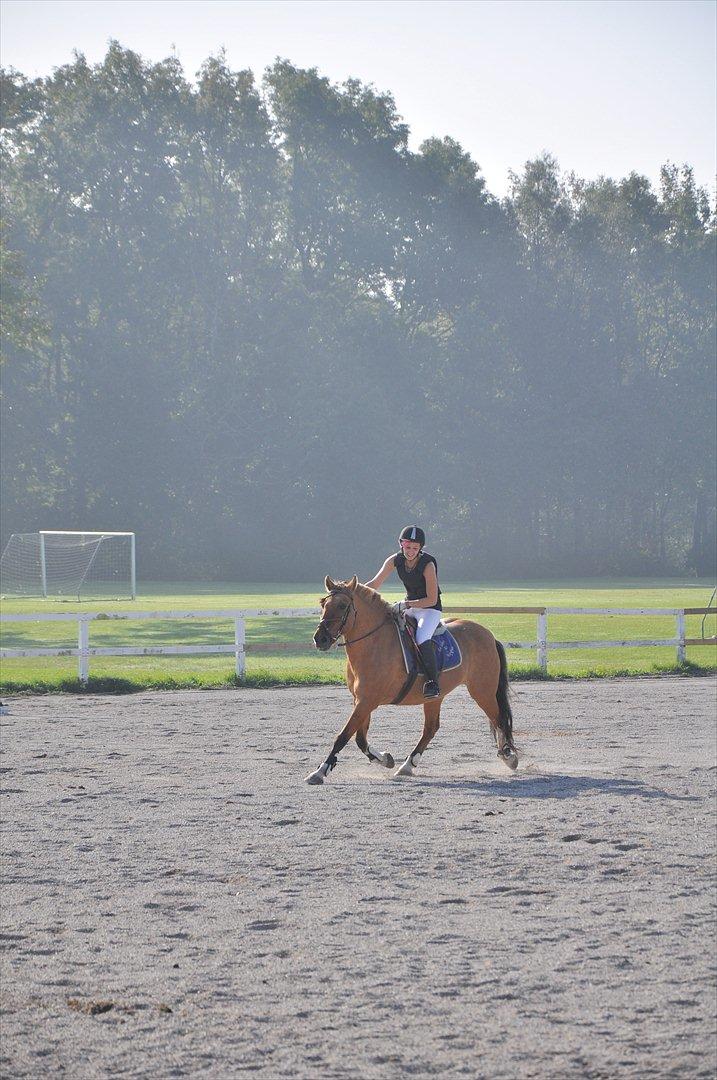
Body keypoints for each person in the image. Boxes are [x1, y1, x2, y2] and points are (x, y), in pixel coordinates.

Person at [363, 525, 442, 698]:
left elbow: (432, 599)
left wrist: (406, 604)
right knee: (389, 628)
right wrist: (353, 591)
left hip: (429, 610)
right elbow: (375, 584)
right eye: (407, 547)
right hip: (411, 607)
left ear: (421, 548)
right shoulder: (394, 560)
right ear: (401, 544)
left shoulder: (428, 564)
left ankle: (433, 683)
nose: (411, 551)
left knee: (421, 638)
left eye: (415, 548)